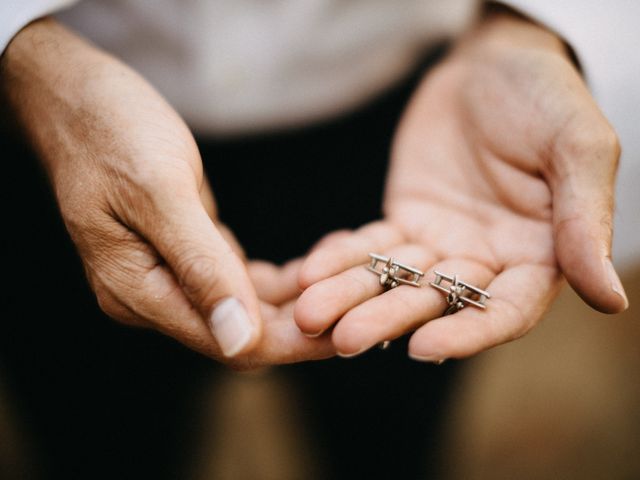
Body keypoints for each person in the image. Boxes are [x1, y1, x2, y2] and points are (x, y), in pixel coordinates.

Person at [1, 1, 637, 478]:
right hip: (57, 141)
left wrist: (532, 24)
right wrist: (24, 55)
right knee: (98, 434)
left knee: (388, 433)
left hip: (418, 134)